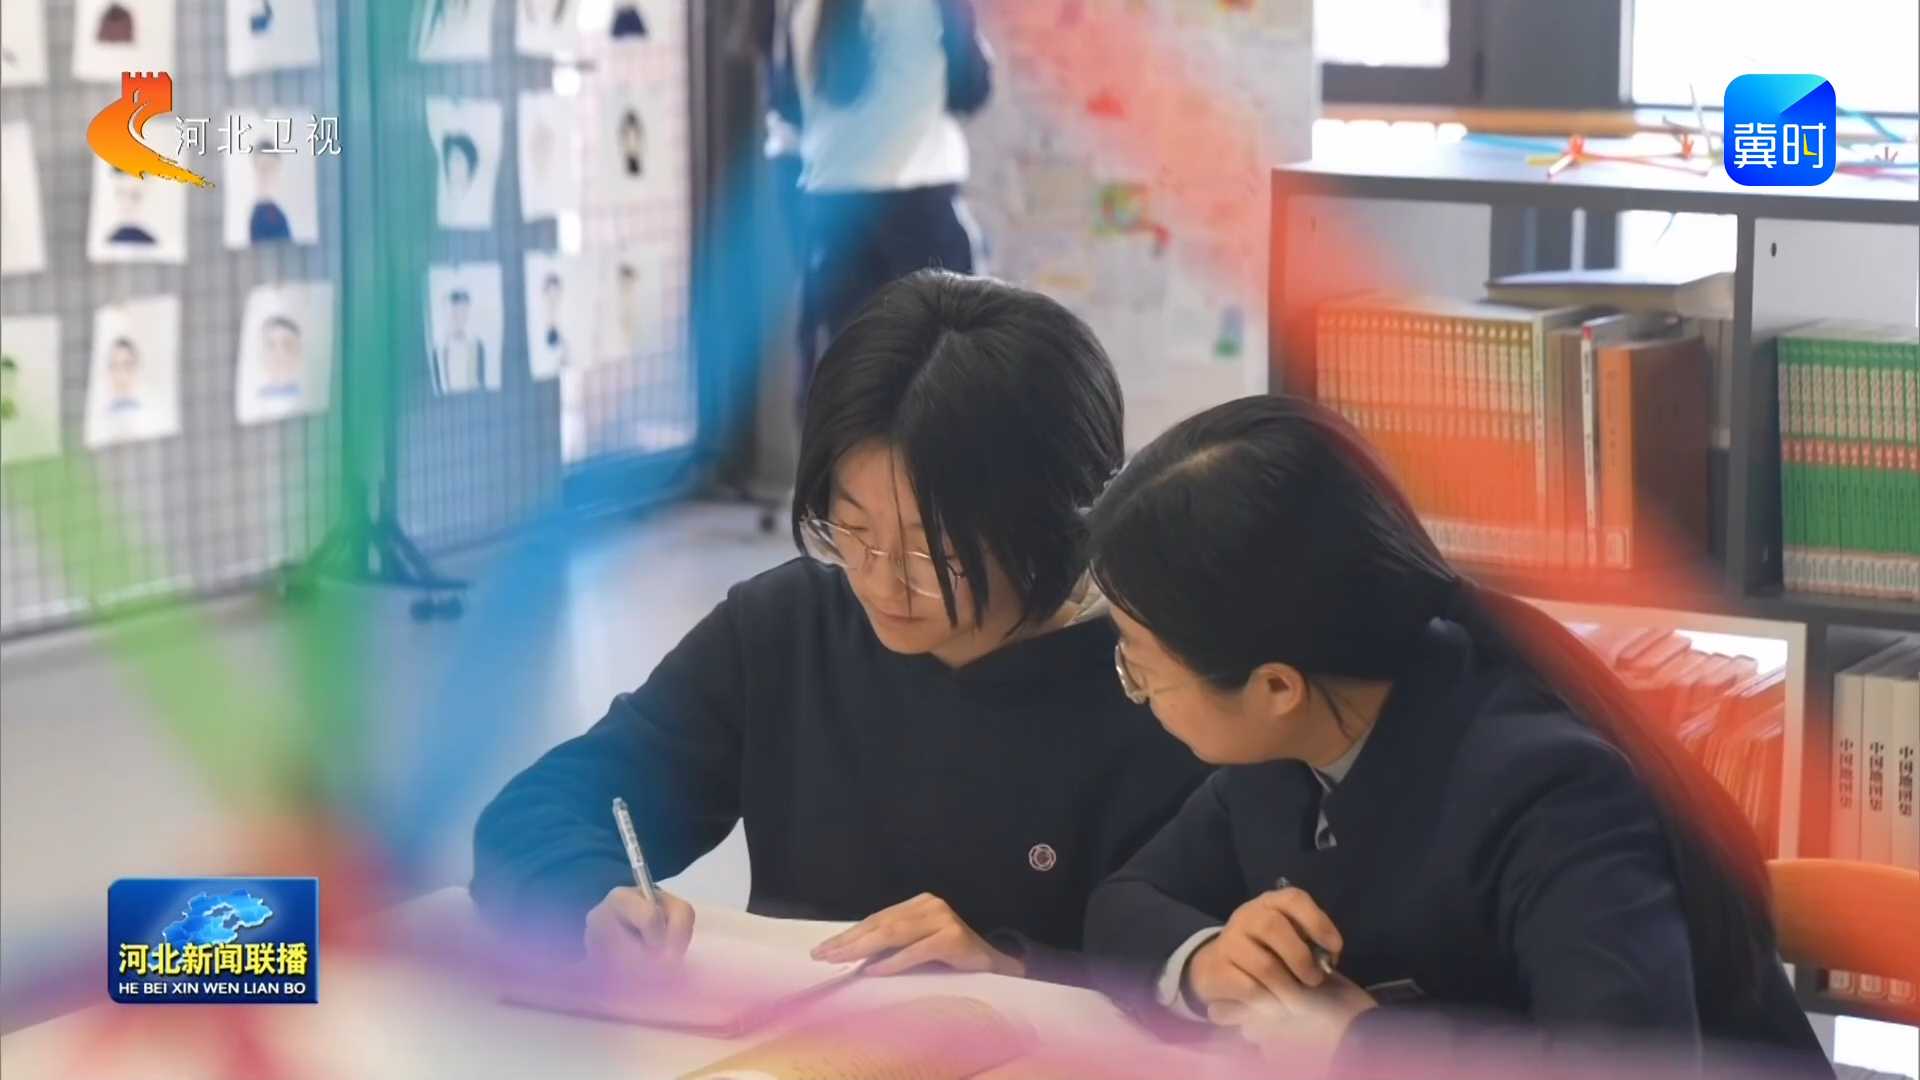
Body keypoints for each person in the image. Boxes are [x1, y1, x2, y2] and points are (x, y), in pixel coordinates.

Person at [471, 271, 1207, 984]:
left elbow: (1221, 971)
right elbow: (537, 813)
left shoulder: (1165, 686)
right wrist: (592, 902)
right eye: (851, 530)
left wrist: (1015, 970)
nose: (881, 582)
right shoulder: (786, 630)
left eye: (934, 554)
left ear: (1058, 521)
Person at [1079, 396, 1830, 1076]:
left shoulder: (1551, 791)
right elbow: (1125, 902)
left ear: (1277, 686)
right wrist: (1210, 960)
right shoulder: (1293, 747)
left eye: (1140, 665)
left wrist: (1362, 1042)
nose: (1133, 687)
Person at [762, 0, 993, 418]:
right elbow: (972, 88)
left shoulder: (801, 8)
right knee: (946, 391)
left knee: (850, 396)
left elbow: (785, 118)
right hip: (923, 215)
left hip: (833, 219)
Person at [432, 288, 485, 394]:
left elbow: (480, 384)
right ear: (445, 313)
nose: (460, 317)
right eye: (454, 312)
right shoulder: (437, 349)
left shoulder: (477, 345)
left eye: (464, 311)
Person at [249, 154, 293, 244]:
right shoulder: (259, 215)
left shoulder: (278, 214)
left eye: (271, 168)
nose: (267, 174)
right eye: (263, 168)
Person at [257, 316, 303, 400]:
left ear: (298, 353)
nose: (280, 354)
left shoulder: (305, 395)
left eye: (287, 345)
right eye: (271, 345)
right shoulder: (257, 397)